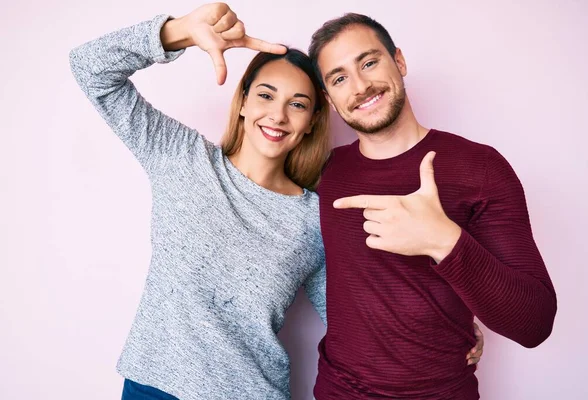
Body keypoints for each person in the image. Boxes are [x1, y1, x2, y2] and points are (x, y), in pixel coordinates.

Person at [70, 3, 484, 399]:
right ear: (245, 101)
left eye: (298, 105)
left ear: (310, 123)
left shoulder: (313, 218)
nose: (279, 116)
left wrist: (448, 328)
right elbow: (89, 67)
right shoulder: (182, 157)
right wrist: (178, 32)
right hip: (152, 388)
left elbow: (353, 314)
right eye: (266, 96)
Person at [308, 12, 557, 400]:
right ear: (330, 99)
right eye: (339, 78)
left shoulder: (480, 167)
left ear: (400, 62)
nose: (359, 86)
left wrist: (445, 241)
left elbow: (535, 324)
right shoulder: (324, 172)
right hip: (340, 390)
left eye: (369, 62)